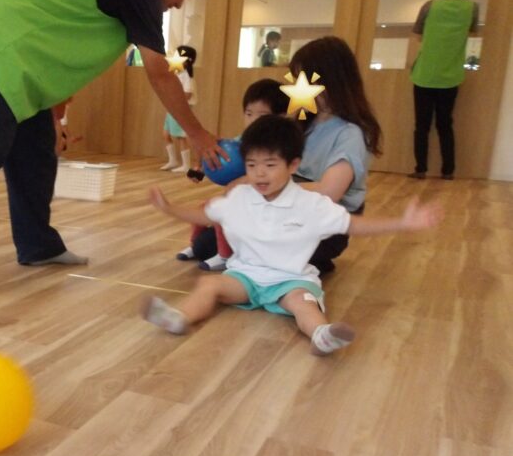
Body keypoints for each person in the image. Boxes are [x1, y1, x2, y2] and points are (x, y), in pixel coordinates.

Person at [0, 0, 222, 293]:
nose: (179, 3)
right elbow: (159, 72)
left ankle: (39, 246)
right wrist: (198, 134)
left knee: (36, 156)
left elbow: (62, 31)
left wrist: (53, 113)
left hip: (24, 63)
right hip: (1, 51)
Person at [143, 115, 443, 354]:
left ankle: (321, 335)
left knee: (302, 302)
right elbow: (206, 216)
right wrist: (169, 208)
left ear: (293, 165)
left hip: (290, 280)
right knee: (209, 284)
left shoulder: (311, 204)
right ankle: (179, 318)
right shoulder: (240, 197)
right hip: (245, 277)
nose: (259, 173)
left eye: (270, 165)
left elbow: (353, 225)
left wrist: (402, 223)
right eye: (251, 165)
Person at [288, 36, 382, 274]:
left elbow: (329, 192)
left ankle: (312, 259)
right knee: (213, 240)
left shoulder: (350, 133)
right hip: (294, 213)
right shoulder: (305, 122)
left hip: (325, 225)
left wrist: (274, 188)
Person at [176, 77, 289, 268]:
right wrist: (200, 169)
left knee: (224, 211)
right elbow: (223, 157)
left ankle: (224, 256)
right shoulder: (242, 140)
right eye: (249, 113)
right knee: (205, 208)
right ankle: (194, 245)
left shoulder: (280, 145)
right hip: (240, 197)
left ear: (281, 117)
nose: (253, 120)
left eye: (262, 115)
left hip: (261, 206)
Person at [409, 0, 479, 181]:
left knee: (422, 126)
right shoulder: (472, 9)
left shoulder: (430, 6)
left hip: (424, 75)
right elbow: (472, 30)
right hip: (451, 77)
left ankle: (420, 169)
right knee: (445, 125)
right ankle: (448, 171)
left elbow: (417, 33)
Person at [160, 44, 197, 172]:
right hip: (172, 108)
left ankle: (186, 165)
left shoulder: (187, 76)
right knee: (166, 134)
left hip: (179, 109)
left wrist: (176, 99)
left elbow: (188, 93)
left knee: (181, 136)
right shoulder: (177, 73)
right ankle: (173, 160)